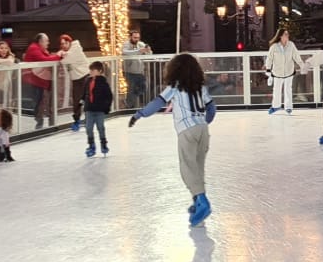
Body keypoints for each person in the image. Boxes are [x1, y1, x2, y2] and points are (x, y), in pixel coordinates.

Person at [129, 53, 220, 224]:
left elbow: (157, 103)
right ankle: (197, 201)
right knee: (198, 168)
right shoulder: (200, 87)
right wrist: (203, 122)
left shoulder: (175, 87)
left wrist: (139, 114)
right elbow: (212, 108)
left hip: (186, 130)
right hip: (202, 130)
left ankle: (202, 201)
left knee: (187, 168)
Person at [79, 60, 115, 157]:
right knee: (89, 128)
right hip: (89, 109)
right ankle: (91, 145)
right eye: (90, 70)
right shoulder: (87, 80)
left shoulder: (103, 82)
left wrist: (107, 107)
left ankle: (103, 144)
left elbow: (109, 96)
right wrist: (82, 101)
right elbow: (85, 93)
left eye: (93, 70)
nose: (91, 72)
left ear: (99, 71)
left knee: (100, 128)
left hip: (99, 109)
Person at [22, 33, 57, 129]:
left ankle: (49, 123)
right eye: (47, 41)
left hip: (43, 80)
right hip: (36, 81)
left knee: (44, 101)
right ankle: (39, 124)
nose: (48, 43)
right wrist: (59, 56)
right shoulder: (34, 48)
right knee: (39, 102)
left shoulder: (42, 49)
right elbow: (44, 60)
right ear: (41, 41)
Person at [265, 28, 303, 115]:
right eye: (285, 34)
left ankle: (288, 107)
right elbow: (269, 59)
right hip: (277, 72)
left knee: (288, 89)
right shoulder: (274, 47)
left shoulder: (291, 45)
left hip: (289, 71)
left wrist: (302, 65)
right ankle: (275, 106)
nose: (287, 36)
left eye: (288, 34)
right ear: (280, 36)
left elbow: (296, 56)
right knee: (276, 90)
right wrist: (268, 70)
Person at [59, 34, 91, 131]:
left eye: (65, 43)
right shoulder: (67, 52)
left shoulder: (76, 49)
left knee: (87, 99)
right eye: (62, 44)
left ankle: (89, 119)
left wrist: (61, 55)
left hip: (85, 77)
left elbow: (65, 60)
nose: (64, 46)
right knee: (76, 101)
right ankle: (77, 121)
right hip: (76, 80)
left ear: (70, 42)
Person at [120, 30, 152, 108]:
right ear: (130, 37)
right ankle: (129, 106)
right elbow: (125, 52)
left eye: (138, 37)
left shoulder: (141, 44)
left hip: (139, 71)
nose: (136, 39)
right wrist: (138, 51)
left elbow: (150, 54)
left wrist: (148, 50)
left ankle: (127, 103)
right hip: (129, 71)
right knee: (131, 89)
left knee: (144, 86)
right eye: (135, 37)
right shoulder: (126, 44)